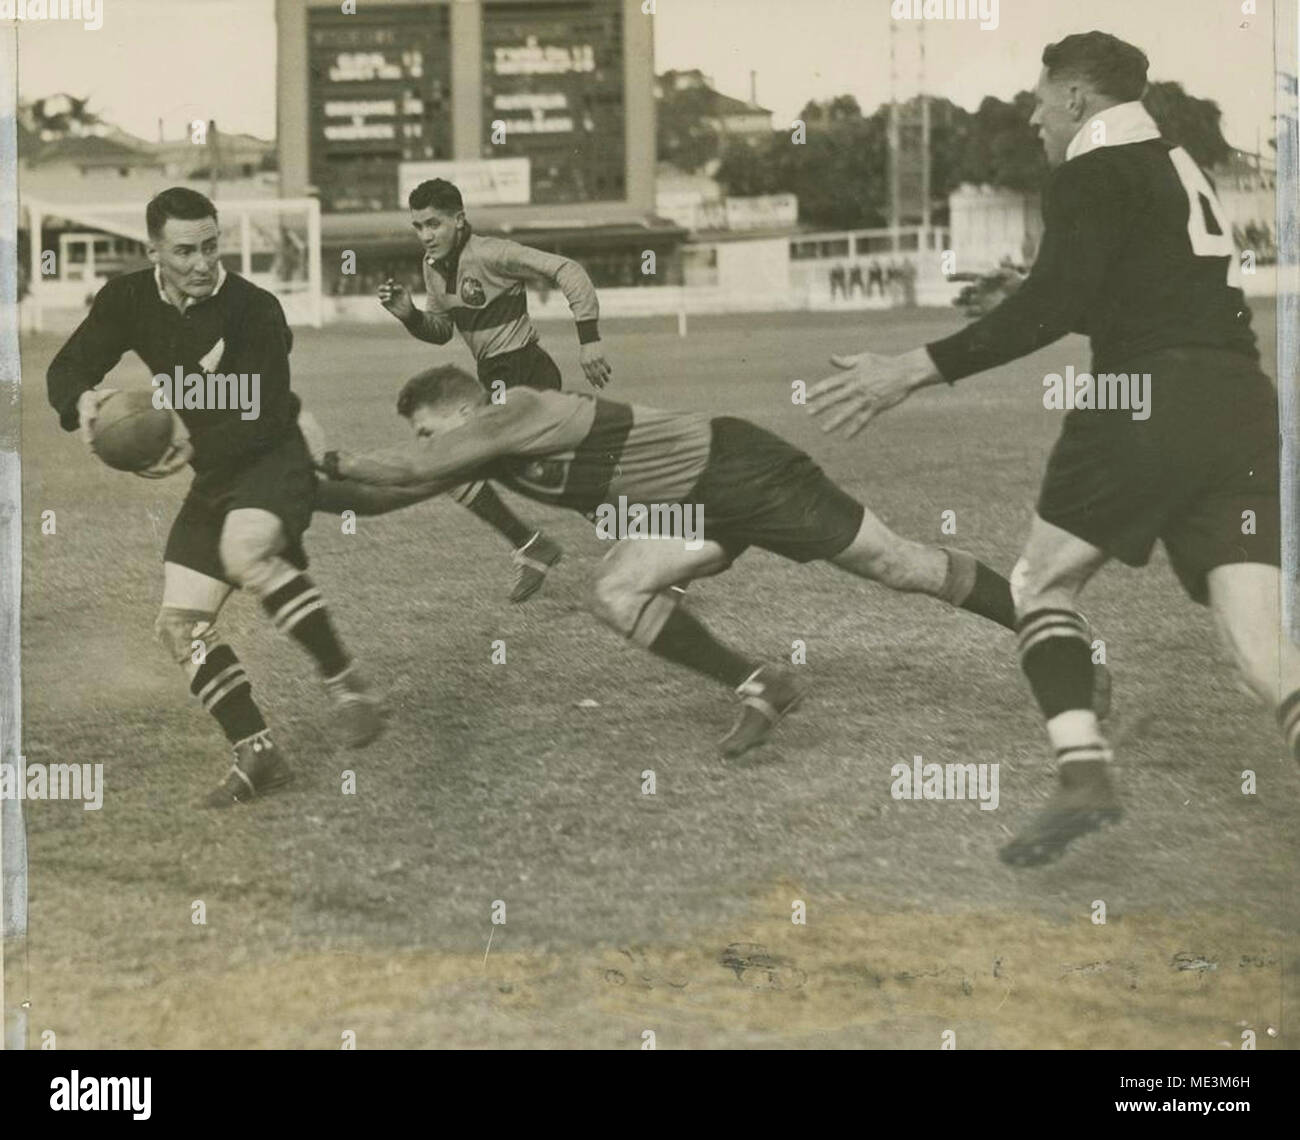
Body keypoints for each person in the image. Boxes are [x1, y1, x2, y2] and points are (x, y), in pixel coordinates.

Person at [806, 31, 1295, 866]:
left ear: (1075, 98)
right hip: (1242, 406)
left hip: (1147, 397)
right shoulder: (1176, 161)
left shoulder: (1091, 170)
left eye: (1040, 99)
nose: (1034, 117)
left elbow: (1054, 303)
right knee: (1265, 652)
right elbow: (1116, 282)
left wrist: (910, 371)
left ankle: (1081, 769)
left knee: (1040, 580)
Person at [314, 364, 1034, 758]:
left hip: (741, 467)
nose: (426, 444)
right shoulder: (480, 450)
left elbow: (407, 468)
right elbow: (382, 497)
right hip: (685, 512)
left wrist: (325, 454)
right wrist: (294, 489)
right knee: (617, 591)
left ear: (463, 414)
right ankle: (763, 684)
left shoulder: (518, 410)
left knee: (895, 566)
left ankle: (1052, 635)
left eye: (429, 430)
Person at [47, 187, 384, 808]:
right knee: (179, 626)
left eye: (210, 246)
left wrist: (178, 427)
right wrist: (84, 404)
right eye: (184, 251)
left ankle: (349, 684)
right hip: (215, 470)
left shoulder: (255, 308)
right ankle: (259, 752)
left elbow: (261, 410)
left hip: (273, 452)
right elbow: (67, 367)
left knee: (246, 548)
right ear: (153, 250)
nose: (201, 262)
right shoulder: (125, 299)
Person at [377, 178, 613, 603]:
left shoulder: (492, 253)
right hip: (494, 377)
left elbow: (568, 270)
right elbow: (442, 330)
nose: (426, 235)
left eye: (434, 224)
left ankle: (547, 545)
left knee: (459, 461)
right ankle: (563, 543)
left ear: (459, 220)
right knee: (547, 472)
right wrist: (409, 315)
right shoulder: (432, 268)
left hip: (526, 369)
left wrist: (590, 339)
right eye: (418, 226)